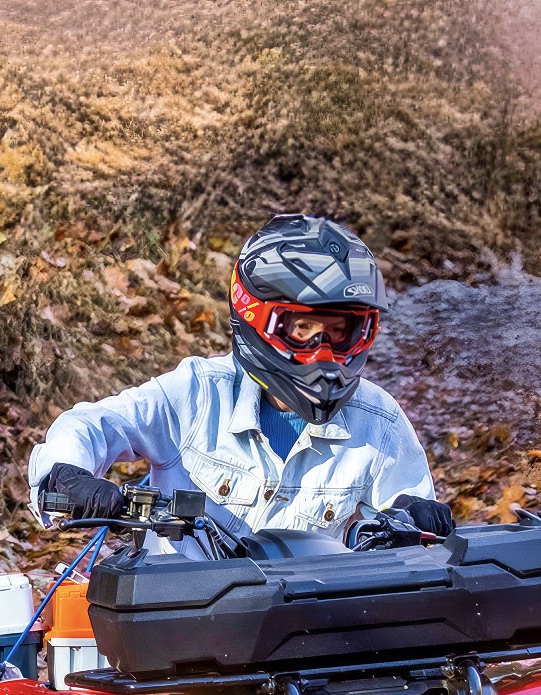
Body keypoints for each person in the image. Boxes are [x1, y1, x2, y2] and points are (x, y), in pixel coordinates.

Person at [27, 214, 455, 542]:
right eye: (303, 328)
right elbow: (91, 425)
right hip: (177, 627)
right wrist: (67, 473)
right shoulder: (196, 394)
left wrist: (414, 519)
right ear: (254, 318)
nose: (323, 350)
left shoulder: (378, 422)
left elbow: (412, 544)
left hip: (318, 637)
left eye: (339, 331)